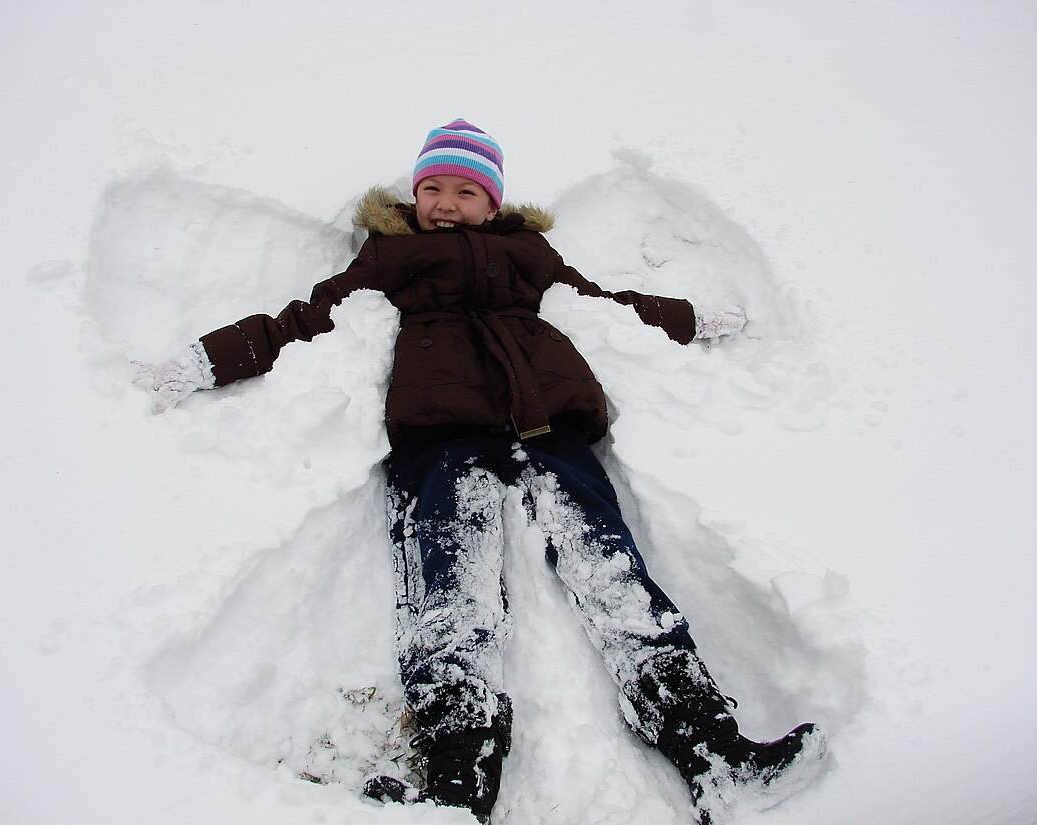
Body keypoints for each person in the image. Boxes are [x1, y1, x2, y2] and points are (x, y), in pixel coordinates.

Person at [133, 119, 827, 824]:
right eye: (431, 187)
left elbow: (605, 306)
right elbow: (302, 321)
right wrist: (205, 360)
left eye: (464, 190)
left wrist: (689, 320)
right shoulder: (393, 257)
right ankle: (458, 772)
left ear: (492, 203)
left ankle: (708, 744)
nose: (444, 201)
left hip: (547, 431)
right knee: (451, 588)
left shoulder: (528, 255)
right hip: (441, 441)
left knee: (610, 567)